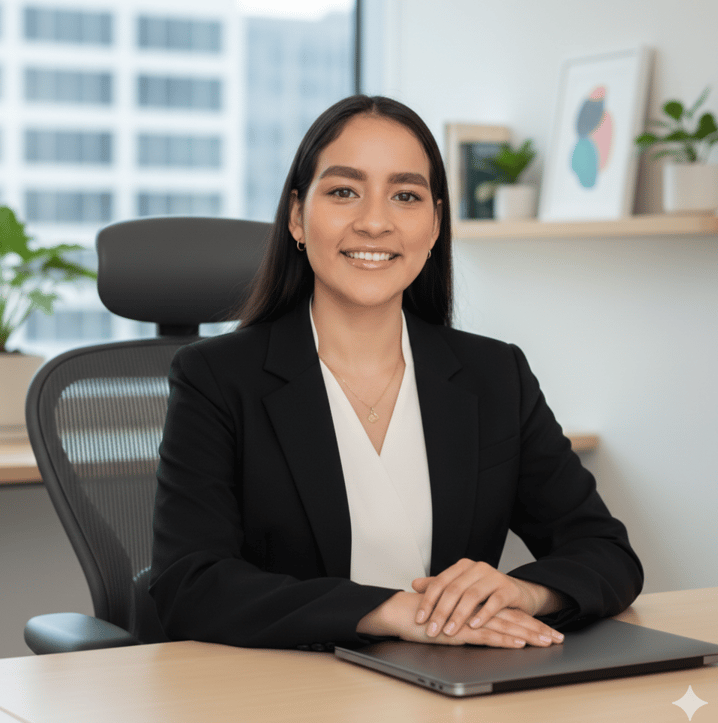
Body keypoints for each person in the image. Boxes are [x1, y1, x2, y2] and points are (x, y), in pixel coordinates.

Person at [150, 95, 643, 651]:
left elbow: (606, 553)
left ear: (434, 226)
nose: (375, 222)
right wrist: (387, 611)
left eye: (405, 196)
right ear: (297, 217)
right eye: (343, 192)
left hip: (452, 692)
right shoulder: (215, 377)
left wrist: (522, 593)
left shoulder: (494, 374)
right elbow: (189, 585)